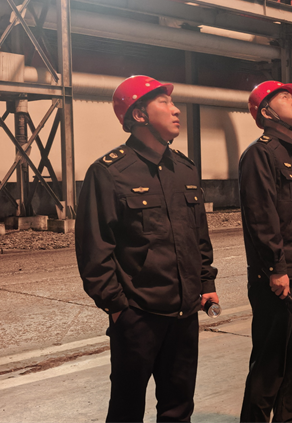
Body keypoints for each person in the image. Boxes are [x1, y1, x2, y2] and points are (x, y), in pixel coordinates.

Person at [75, 75, 218, 422]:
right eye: (164, 103)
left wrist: (207, 283)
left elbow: (198, 235)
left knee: (179, 408)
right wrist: (118, 309)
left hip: (184, 314)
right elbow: (94, 250)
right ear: (139, 115)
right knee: (126, 411)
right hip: (138, 316)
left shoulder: (184, 168)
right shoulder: (109, 173)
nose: (176, 110)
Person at [239, 80, 292, 423]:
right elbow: (263, 217)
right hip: (277, 277)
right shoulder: (260, 154)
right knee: (270, 364)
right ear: (266, 112)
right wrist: (276, 268)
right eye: (284, 97)